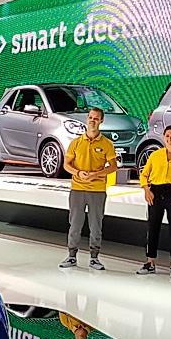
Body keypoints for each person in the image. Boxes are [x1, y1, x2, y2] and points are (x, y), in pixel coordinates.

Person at [60, 106, 117, 271]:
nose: (93, 121)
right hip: (77, 188)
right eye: (90, 117)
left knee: (96, 225)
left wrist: (96, 174)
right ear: (87, 119)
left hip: (97, 190)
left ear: (101, 121)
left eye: (96, 118)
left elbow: (113, 166)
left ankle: (94, 258)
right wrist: (78, 172)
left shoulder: (107, 144)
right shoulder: (76, 143)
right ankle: (71, 256)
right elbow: (66, 164)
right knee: (75, 224)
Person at [138, 124, 171, 280]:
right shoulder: (155, 155)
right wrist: (146, 189)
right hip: (155, 193)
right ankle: (150, 262)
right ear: (164, 137)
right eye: (167, 136)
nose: (170, 139)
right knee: (152, 227)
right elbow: (144, 174)